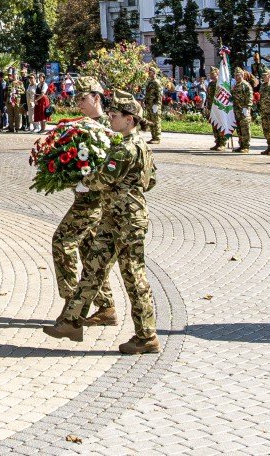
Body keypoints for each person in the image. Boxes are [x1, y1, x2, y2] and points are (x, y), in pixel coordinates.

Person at [43, 93, 160, 354]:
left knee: (133, 276)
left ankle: (147, 336)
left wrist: (85, 181)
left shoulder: (127, 147)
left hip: (128, 221)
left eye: (116, 116)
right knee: (94, 266)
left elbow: (101, 179)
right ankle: (72, 321)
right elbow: (150, 182)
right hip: (112, 217)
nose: (111, 118)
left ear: (130, 120)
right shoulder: (142, 145)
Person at [48, 77, 117, 328]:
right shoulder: (85, 125)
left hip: (95, 201)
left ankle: (71, 304)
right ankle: (106, 306)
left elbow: (114, 165)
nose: (78, 103)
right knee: (89, 250)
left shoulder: (110, 126)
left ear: (96, 98)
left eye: (82, 98)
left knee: (63, 241)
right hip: (86, 196)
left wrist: (90, 180)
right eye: (76, 98)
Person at [230, 68, 254, 154]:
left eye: (238, 75)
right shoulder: (235, 85)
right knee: (239, 129)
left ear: (242, 75)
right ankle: (241, 145)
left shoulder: (245, 85)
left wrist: (247, 107)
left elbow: (250, 97)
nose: (236, 77)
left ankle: (246, 146)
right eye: (235, 75)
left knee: (245, 129)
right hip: (237, 110)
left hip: (244, 110)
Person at [141, 66, 164, 145]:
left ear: (154, 73)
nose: (148, 73)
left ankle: (157, 138)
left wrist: (157, 104)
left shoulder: (156, 82)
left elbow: (159, 94)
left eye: (150, 72)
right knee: (151, 120)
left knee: (156, 120)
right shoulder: (150, 82)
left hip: (155, 104)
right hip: (150, 104)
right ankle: (153, 137)